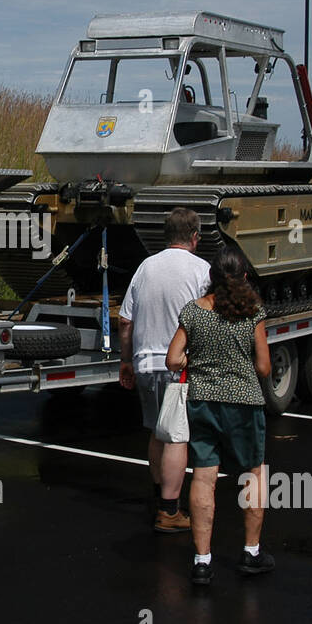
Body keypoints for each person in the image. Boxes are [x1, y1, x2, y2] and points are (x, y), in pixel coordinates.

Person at [165, 247, 274, 583]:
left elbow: (172, 359)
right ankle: (251, 552)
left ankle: (202, 560)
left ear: (211, 277)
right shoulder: (253, 311)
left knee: (203, 477)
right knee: (253, 473)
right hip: (245, 403)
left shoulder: (193, 312)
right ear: (244, 276)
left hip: (204, 401)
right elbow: (265, 367)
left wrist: (191, 362)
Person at [118, 207, 210, 532]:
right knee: (176, 437)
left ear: (167, 236)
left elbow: (125, 320)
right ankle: (170, 511)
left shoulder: (145, 267)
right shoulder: (201, 271)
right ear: (195, 237)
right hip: (178, 366)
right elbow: (210, 318)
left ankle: (160, 496)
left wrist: (126, 360)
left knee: (157, 433)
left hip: (145, 361)